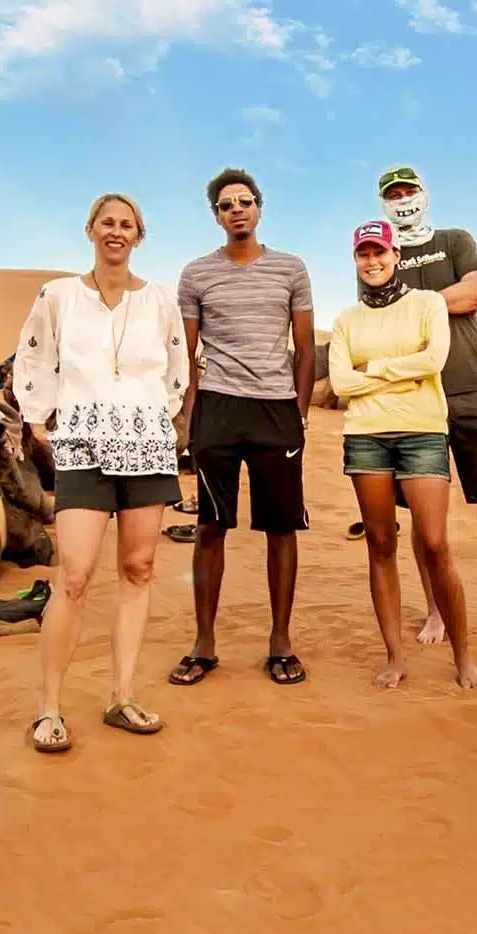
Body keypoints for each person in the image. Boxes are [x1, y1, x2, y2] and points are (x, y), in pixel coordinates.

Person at [13, 192, 190, 753]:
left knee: (138, 568)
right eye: (107, 223)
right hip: (83, 444)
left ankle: (122, 695)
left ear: (139, 236)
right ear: (90, 229)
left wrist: (159, 417)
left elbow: (177, 365)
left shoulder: (161, 299)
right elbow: (34, 353)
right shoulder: (59, 295)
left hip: (143, 444)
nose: (116, 232)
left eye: (127, 225)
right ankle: (48, 708)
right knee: (76, 575)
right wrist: (37, 414)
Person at [170, 168, 315, 688]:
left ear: (259, 208)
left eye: (245, 202)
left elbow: (305, 348)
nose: (237, 210)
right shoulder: (195, 275)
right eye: (227, 204)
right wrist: (189, 414)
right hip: (219, 408)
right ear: (216, 215)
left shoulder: (291, 269)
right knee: (211, 525)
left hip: (276, 410)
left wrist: (299, 412)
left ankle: (281, 640)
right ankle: (204, 643)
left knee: (281, 526)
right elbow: (185, 353)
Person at [376, 164, 477, 643]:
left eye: (409, 190)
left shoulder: (455, 239)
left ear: (424, 193)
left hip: (470, 386)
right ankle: (436, 609)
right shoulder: (381, 251)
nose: (403, 198)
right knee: (426, 512)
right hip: (414, 395)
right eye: (393, 193)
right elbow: (381, 314)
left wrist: (419, 304)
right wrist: (446, 300)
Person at [328, 219, 477, 689]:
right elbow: (340, 383)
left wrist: (371, 369)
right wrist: (402, 372)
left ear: (396, 255)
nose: (372, 262)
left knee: (435, 544)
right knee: (380, 544)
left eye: (380, 252)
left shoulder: (428, 303)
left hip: (421, 431)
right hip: (366, 435)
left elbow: (433, 360)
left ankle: (464, 658)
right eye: (364, 254)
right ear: (356, 260)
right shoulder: (346, 320)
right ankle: (395, 656)